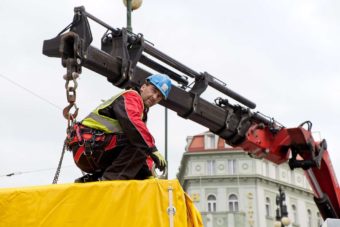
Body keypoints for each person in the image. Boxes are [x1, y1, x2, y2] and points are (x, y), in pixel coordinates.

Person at [66, 74, 172, 182]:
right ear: (143, 87)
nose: (154, 97)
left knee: (139, 156)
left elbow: (140, 151)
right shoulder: (132, 96)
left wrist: (149, 175)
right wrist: (152, 149)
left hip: (93, 152)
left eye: (159, 96)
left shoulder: (141, 112)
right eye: (154, 90)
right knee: (140, 143)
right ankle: (108, 181)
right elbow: (133, 125)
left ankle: (95, 179)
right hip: (89, 147)